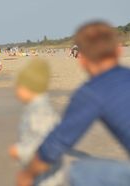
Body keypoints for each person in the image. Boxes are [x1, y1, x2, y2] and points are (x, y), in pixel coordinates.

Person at [17, 21, 130, 186]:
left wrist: (27, 175)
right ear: (118, 50)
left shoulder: (93, 92)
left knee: (79, 170)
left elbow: (55, 145)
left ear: (81, 59)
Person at [9, 58, 64, 186]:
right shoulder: (36, 109)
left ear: (29, 87)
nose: (15, 91)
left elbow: (45, 147)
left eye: (18, 86)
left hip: (46, 177)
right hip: (41, 173)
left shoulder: (39, 113)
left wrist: (19, 151)